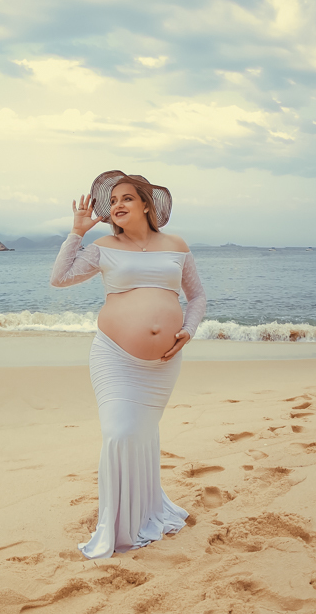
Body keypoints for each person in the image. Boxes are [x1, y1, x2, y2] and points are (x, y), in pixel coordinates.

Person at [50, 171, 207, 559]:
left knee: (141, 435)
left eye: (126, 199)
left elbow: (198, 295)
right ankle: (118, 524)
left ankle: (145, 512)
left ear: (146, 205)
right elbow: (60, 278)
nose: (117, 206)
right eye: (113, 201)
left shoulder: (176, 245)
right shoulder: (103, 246)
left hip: (162, 365)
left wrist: (188, 329)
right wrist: (77, 232)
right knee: (120, 433)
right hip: (114, 357)